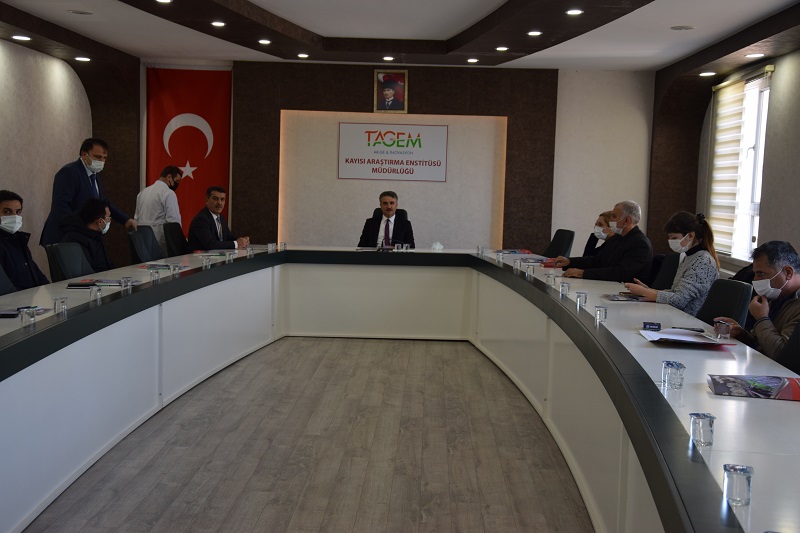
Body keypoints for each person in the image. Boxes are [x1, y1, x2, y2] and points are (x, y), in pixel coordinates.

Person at [40, 138, 137, 245]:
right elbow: (61, 206)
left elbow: (102, 203)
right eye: (97, 157)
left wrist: (126, 220)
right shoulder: (69, 172)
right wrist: (78, 230)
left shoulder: (94, 174)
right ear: (84, 154)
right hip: (64, 236)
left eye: (104, 158)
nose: (101, 161)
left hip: (82, 236)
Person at [623, 212, 719, 316]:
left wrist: (644, 292)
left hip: (688, 319)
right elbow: (676, 292)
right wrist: (649, 290)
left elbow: (679, 300)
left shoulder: (703, 261)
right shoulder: (689, 257)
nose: (670, 241)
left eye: (674, 238)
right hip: (677, 315)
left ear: (691, 235)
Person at [716, 241, 800, 359]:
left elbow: (782, 356)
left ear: (788, 272)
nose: (755, 279)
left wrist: (762, 318)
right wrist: (741, 334)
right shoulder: (777, 294)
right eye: (755, 273)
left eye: (761, 273)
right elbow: (761, 343)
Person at [554, 200, 652, 282]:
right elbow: (597, 260)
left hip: (626, 292)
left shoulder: (640, 243)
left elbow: (621, 273)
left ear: (627, 220)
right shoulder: (617, 238)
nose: (611, 220)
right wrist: (569, 261)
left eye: (614, 216)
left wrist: (583, 273)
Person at [0, 190, 49, 290]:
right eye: (7, 212)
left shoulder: (19, 239)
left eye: (18, 212)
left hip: (31, 296)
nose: (14, 216)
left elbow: (35, 272)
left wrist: (50, 290)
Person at [134, 166, 183, 254]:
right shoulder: (168, 193)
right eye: (177, 181)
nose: (177, 184)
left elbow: (136, 219)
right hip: (161, 245)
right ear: (169, 177)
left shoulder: (142, 193)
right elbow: (174, 223)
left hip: (143, 245)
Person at [60, 198, 114, 273]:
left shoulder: (95, 237)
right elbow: (84, 272)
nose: (109, 221)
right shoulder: (77, 240)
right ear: (100, 221)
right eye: (108, 218)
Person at [187, 186, 249, 251]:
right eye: (215, 199)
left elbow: (229, 237)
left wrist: (242, 241)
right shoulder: (201, 219)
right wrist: (236, 244)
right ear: (207, 200)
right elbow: (210, 244)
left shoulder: (220, 218)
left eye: (222, 199)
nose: (219, 203)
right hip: (198, 257)